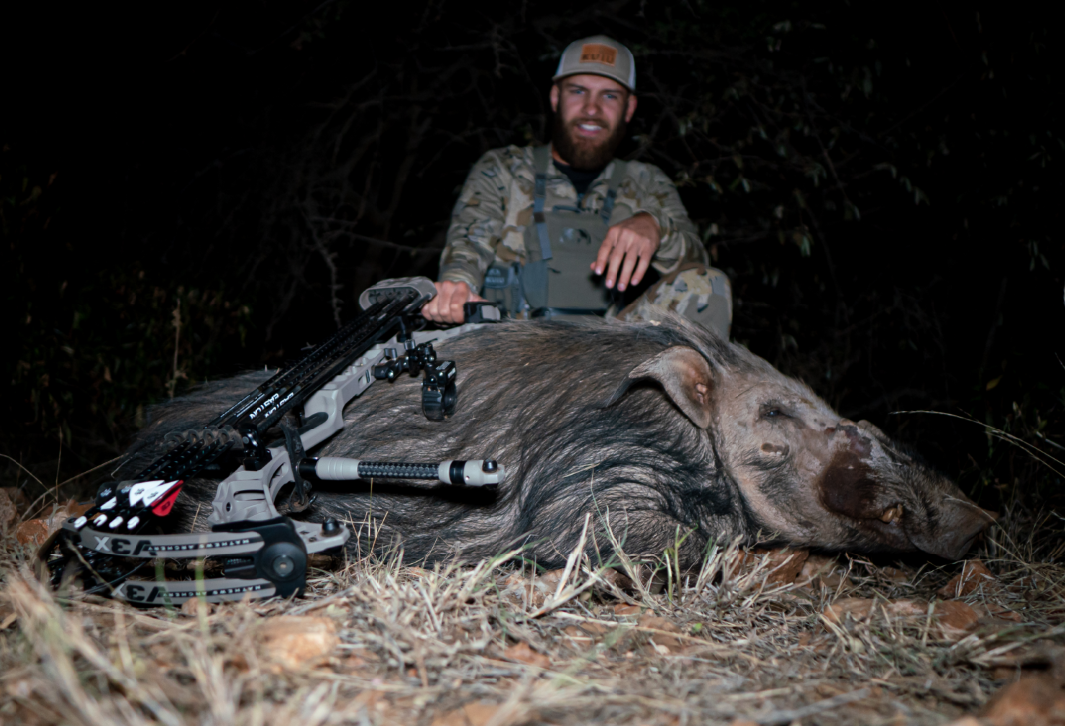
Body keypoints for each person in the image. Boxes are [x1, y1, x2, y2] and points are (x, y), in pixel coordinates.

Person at [422, 35, 732, 338]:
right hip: (512, 353)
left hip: (609, 358)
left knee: (709, 284)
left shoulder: (647, 182)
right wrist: (456, 285)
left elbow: (698, 269)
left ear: (629, 107)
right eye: (578, 91)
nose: (592, 109)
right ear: (556, 97)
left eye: (609, 95)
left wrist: (657, 228)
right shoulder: (504, 169)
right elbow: (467, 245)